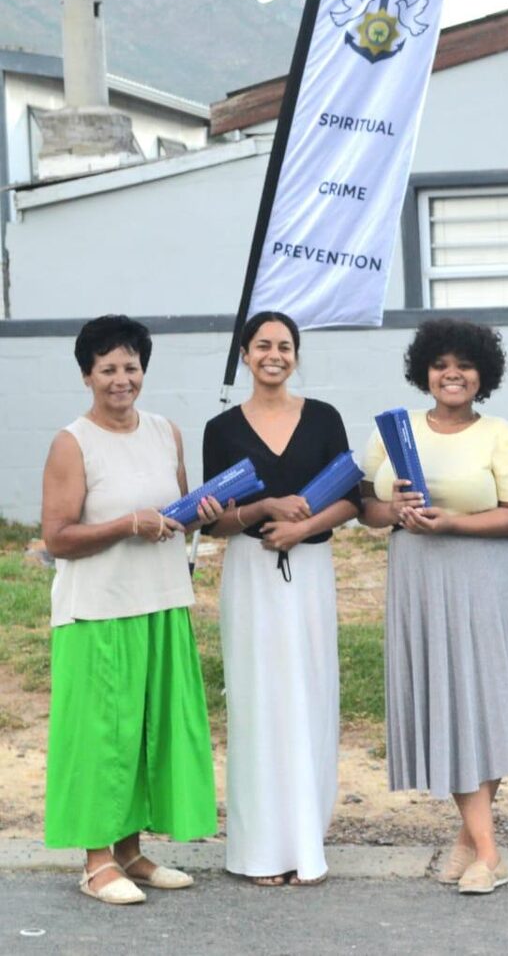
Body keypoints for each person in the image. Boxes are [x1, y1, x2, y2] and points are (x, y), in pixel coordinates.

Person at [359, 318, 508, 896]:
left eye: (465, 365)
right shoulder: (393, 431)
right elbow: (365, 508)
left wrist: (452, 522)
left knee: (486, 701)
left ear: (482, 375)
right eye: (442, 364)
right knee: (447, 703)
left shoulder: (499, 433)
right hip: (420, 578)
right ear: (425, 371)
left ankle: (484, 851)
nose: (453, 374)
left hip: (486, 575)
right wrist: (394, 511)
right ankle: (477, 844)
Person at [41, 315, 222, 905]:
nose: (122, 380)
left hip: (162, 601)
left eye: (131, 367)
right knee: (101, 738)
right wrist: (125, 524)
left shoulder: (165, 431)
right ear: (87, 376)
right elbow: (57, 537)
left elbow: (177, 512)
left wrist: (201, 511)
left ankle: (130, 852)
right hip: (98, 610)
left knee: (144, 732)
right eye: (108, 369)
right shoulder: (73, 442)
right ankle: (95, 863)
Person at [202, 311, 362, 887]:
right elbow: (215, 524)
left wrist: (301, 527)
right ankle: (259, 849)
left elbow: (353, 501)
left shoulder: (323, 418)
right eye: (263, 345)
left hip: (310, 568)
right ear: (245, 354)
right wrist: (264, 511)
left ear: (296, 355)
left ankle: (305, 842)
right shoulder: (221, 430)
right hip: (249, 574)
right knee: (257, 700)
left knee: (309, 693)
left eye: (285, 345)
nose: (275, 354)